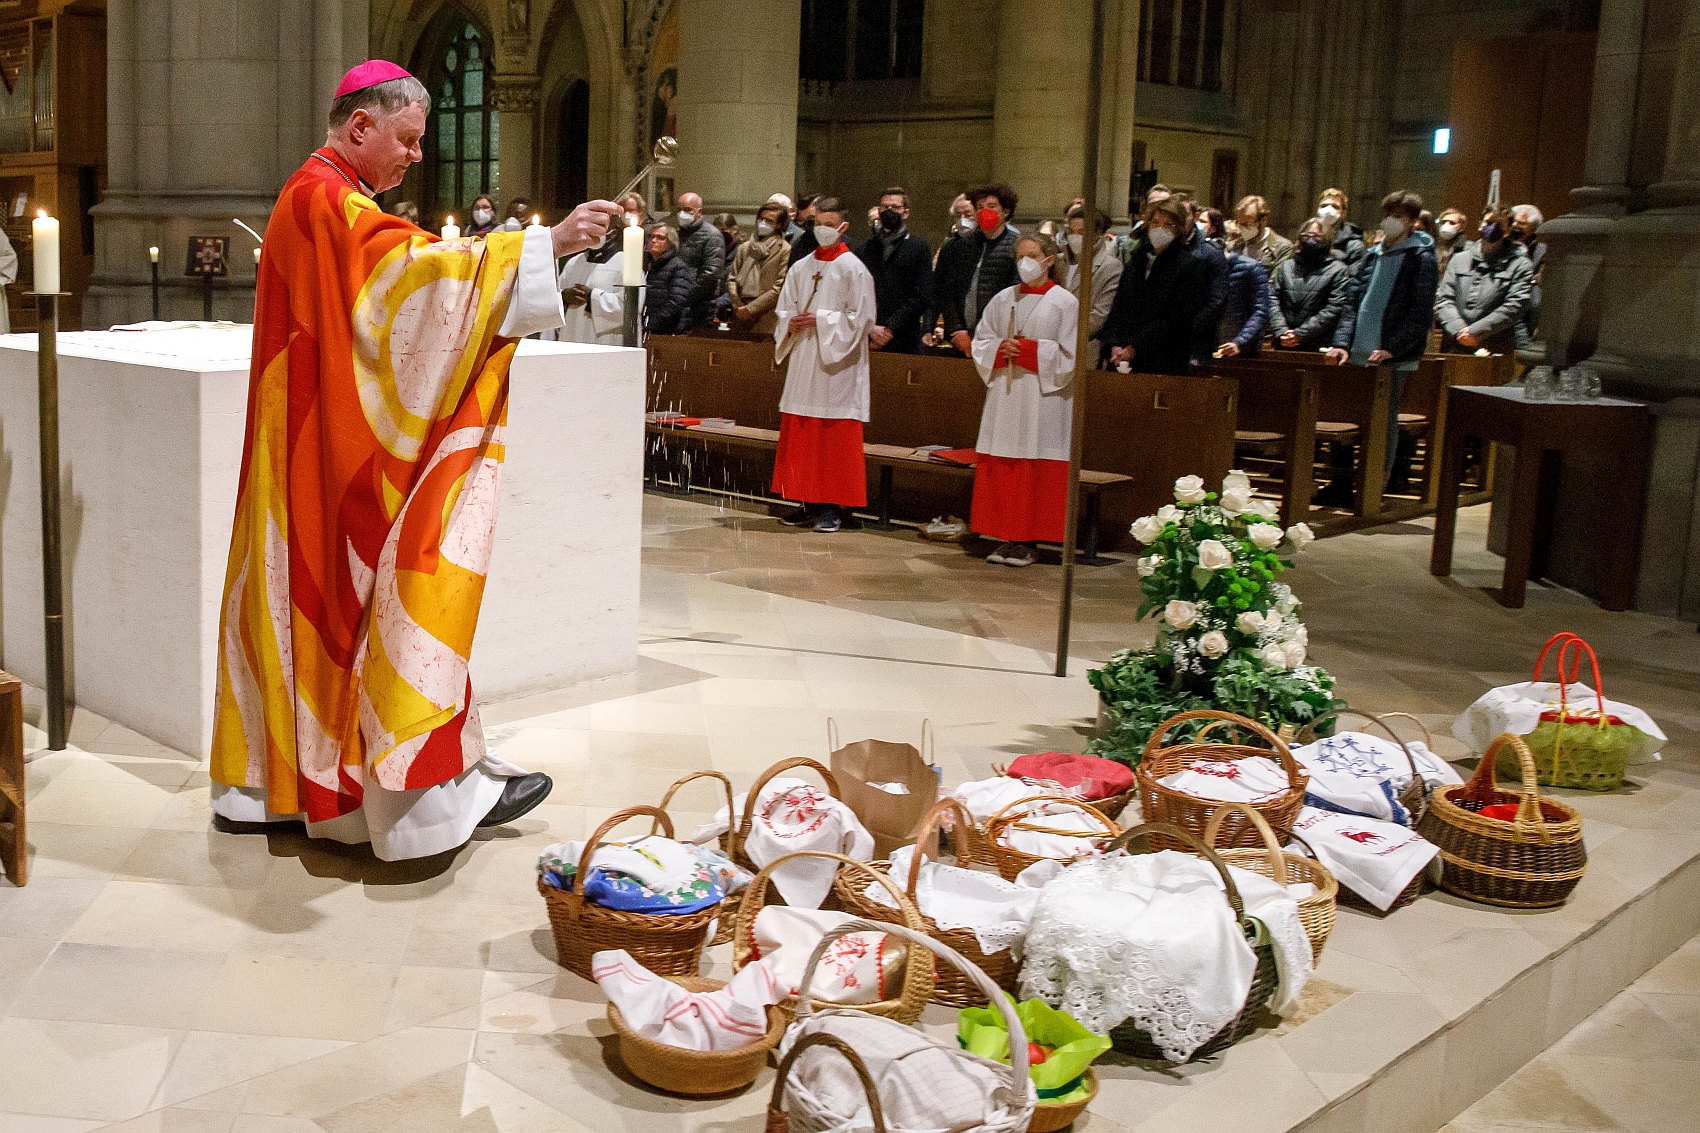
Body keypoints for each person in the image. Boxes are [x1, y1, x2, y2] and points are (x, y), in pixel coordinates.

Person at [209, 61, 622, 860]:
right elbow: (416, 279)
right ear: (359, 126)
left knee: (303, 606)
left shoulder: (319, 197)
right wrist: (545, 245)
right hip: (331, 453)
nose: (416, 156)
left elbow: (401, 287)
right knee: (383, 591)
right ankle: (415, 802)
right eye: (407, 138)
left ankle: (280, 791)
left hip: (313, 441)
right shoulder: (327, 200)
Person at [969, 233, 1079, 569]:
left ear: (1049, 260)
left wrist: (1030, 351)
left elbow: (1070, 355)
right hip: (1007, 392)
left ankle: (1029, 541)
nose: (1024, 262)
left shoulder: (1064, 302)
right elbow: (982, 340)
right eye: (1020, 256)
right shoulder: (1004, 299)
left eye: (1031, 255)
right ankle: (1005, 536)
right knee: (1006, 460)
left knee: (1034, 462)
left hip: (1043, 399)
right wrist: (999, 349)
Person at [771, 197, 877, 534]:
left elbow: (862, 319)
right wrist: (790, 324)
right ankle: (807, 503)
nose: (823, 230)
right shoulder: (801, 267)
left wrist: (820, 319)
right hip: (804, 360)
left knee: (832, 437)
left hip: (838, 366)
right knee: (803, 430)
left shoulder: (854, 269)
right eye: (819, 223)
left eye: (831, 224)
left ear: (843, 228)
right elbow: (784, 309)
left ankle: (834, 507)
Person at [1327, 189, 1439, 482]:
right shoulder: (1373, 252)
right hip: (1360, 348)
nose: (1390, 221)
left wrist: (1392, 347)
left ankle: (1377, 479)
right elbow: (1353, 301)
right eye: (1388, 214)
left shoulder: (1421, 257)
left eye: (1398, 216)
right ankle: (1340, 479)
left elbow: (1420, 312)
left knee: (1383, 417)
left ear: (1412, 221)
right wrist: (1341, 343)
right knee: (1348, 413)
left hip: (1391, 354)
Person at [1104, 196, 1206, 376]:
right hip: (1123, 358)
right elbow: (1119, 306)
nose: (1160, 228)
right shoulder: (1136, 261)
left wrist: (1135, 348)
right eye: (1156, 222)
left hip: (1163, 360)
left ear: (1179, 229)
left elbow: (1176, 320)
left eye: (1168, 224)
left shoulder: (1189, 266)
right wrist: (1114, 343)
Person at [1436, 204, 1535, 356]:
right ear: (1479, 224)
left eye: (1498, 225)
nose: (1492, 228)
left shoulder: (1520, 264)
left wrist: (1476, 331)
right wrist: (1458, 330)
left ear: (1508, 230)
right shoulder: (1459, 259)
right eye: (1488, 223)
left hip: (1493, 346)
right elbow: (1444, 299)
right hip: (1454, 344)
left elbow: (1514, 306)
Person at [934, 183, 1021, 357]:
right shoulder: (962, 245)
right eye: (980, 207)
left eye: (991, 206)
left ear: (1005, 212)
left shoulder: (1016, 246)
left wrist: (976, 335)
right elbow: (948, 291)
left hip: (995, 337)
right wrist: (957, 330)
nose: (984, 211)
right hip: (959, 337)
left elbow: (1013, 295)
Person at [855, 185, 933, 355]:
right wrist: (871, 328)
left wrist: (890, 328)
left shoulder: (918, 248)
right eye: (885, 207)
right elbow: (856, 292)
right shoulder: (865, 249)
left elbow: (923, 296)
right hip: (868, 334)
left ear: (906, 212)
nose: (889, 211)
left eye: (895, 207)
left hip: (904, 336)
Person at [559, 201, 643, 346]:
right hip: (572, 338)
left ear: (614, 232)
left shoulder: (627, 264)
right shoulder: (574, 263)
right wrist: (564, 296)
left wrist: (592, 296)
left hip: (607, 341)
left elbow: (630, 308)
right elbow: (553, 298)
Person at [1269, 218, 1352, 349]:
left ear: (1327, 239)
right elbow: (1272, 299)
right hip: (1283, 342)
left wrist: (1300, 334)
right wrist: (1282, 330)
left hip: (1316, 345)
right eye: (1306, 235)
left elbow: (1334, 308)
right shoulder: (1286, 267)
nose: (1311, 240)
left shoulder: (1338, 270)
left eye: (1317, 236)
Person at [1059, 204, 1121, 363]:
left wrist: (1062, 331)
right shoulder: (1059, 262)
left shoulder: (1110, 267)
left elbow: (1099, 315)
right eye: (1071, 232)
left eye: (1081, 232)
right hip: (1052, 346)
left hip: (1084, 347)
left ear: (1096, 235)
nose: (1075, 237)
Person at [727, 200, 791, 334]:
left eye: (769, 221)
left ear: (779, 224)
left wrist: (751, 308)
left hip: (766, 314)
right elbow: (732, 278)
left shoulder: (784, 249)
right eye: (761, 219)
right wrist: (738, 305)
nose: (763, 223)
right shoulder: (745, 248)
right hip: (740, 312)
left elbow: (779, 287)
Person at [1182, 198, 1230, 364]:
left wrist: (1184, 329)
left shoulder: (1211, 255)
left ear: (1194, 217)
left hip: (1196, 345)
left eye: (1184, 215)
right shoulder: (1164, 252)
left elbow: (1216, 303)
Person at [673, 191, 725, 329]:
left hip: (699, 306)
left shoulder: (712, 235)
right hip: (677, 302)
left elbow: (711, 273)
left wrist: (685, 295)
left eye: (688, 209)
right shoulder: (677, 234)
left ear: (699, 211)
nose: (682, 214)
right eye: (679, 210)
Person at [1214, 250, 1271, 359]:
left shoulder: (1252, 268)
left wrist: (1240, 341)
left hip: (1242, 350)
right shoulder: (1205, 268)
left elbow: (1261, 311)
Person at [643, 223, 695, 336]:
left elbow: (675, 303)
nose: (653, 240)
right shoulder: (646, 264)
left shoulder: (678, 267)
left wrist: (651, 324)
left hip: (669, 331)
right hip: (649, 328)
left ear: (671, 242)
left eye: (660, 237)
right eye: (651, 236)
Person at [1510, 204, 1546, 349]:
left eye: (1522, 223)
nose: (1515, 226)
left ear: (1534, 228)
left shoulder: (1542, 249)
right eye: (1514, 221)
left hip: (1529, 307)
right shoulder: (1504, 245)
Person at [1230, 194, 1292, 269]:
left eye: (1248, 224)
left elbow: (1278, 278)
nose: (1242, 228)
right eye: (1239, 223)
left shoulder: (1282, 247)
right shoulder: (1235, 246)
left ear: (1263, 220)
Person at [1316, 187, 1366, 266]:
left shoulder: (1354, 245)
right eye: (1324, 206)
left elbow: (1354, 276)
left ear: (1343, 213)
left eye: (1335, 207)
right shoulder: (1307, 237)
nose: (1328, 210)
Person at [788, 194, 824, 266]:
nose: (806, 224)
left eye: (811, 219)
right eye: (801, 220)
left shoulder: (841, 242)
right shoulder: (799, 244)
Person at [1433, 206, 1469, 276]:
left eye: (1452, 223)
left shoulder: (1467, 249)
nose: (1446, 225)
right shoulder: (1432, 247)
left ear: (1461, 227)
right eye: (1443, 222)